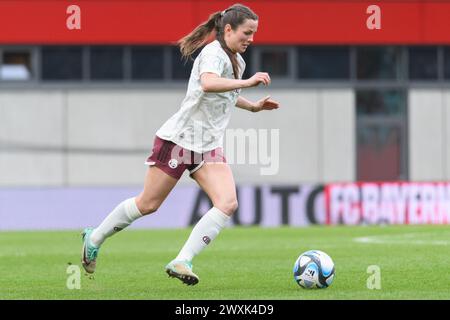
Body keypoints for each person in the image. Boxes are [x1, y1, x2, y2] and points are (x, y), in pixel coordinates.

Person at [81, 3, 279, 286]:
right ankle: (95, 237)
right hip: (179, 140)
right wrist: (248, 83)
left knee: (227, 203)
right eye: (247, 33)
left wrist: (254, 107)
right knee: (148, 204)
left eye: (254, 34)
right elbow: (209, 83)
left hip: (207, 145)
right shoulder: (213, 53)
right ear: (228, 29)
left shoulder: (237, 60)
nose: (251, 39)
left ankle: (182, 260)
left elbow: (227, 95)